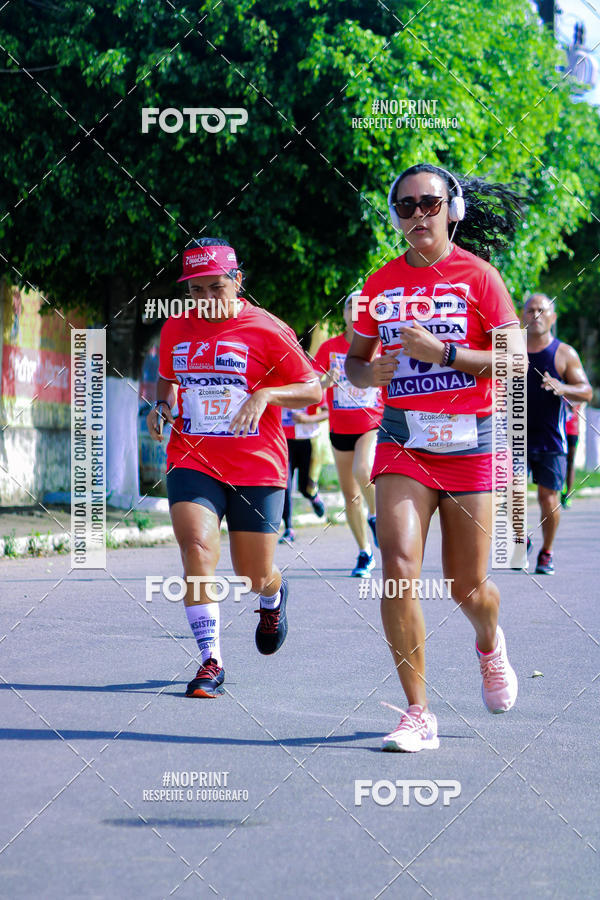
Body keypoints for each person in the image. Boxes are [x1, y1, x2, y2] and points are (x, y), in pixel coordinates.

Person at [346, 163, 526, 751]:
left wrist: (445, 351)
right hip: (403, 442)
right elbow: (355, 361)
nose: (417, 213)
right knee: (397, 569)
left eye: (429, 202)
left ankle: (489, 643)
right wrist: (367, 372)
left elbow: (514, 364)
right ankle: (418, 713)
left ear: (453, 209)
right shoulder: (380, 284)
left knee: (466, 586)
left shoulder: (480, 278)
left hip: (469, 441)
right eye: (405, 206)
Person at [147, 237, 320, 697]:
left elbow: (312, 390)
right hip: (192, 457)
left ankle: (273, 595)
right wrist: (161, 407)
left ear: (237, 282)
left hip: (256, 465)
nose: (205, 299)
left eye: (215, 288)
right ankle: (210, 661)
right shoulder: (175, 329)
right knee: (196, 548)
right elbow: (167, 381)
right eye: (196, 290)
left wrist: (265, 395)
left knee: (252, 572)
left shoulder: (266, 329)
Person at [313, 293, 383, 577]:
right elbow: (312, 385)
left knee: (363, 470)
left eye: (361, 308)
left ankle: (377, 517)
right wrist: (324, 382)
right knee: (350, 497)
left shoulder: (378, 347)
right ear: (343, 314)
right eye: (350, 307)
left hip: (371, 422)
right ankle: (365, 553)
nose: (355, 311)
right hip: (339, 428)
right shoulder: (329, 348)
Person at [523, 294, 592, 574]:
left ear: (553, 317)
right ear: (522, 315)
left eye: (542, 310)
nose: (536, 315)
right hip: (514, 435)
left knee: (548, 498)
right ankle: (520, 538)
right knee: (502, 494)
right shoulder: (510, 349)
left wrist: (563, 388)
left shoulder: (564, 353)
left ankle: (546, 552)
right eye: (530, 310)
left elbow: (586, 391)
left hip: (550, 438)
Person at [280, 401, 329, 543]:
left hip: (308, 441)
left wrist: (307, 419)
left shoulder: (309, 382)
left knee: (304, 488)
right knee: (285, 486)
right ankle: (289, 528)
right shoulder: (277, 386)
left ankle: (313, 497)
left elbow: (327, 412)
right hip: (285, 441)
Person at [562, 401, 582, 508]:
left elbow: (583, 397)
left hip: (572, 429)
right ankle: (558, 489)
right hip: (558, 428)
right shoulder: (557, 384)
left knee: (570, 462)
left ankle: (567, 495)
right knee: (559, 460)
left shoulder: (577, 385)